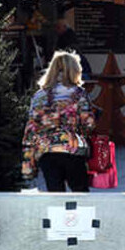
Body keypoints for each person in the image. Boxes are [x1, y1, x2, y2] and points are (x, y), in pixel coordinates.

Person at [21, 51, 96, 192]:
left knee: (55, 194)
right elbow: (89, 124)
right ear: (74, 71)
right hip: (73, 150)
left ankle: (58, 214)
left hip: (47, 151)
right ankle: (78, 214)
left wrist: (28, 162)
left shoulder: (39, 96)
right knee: (80, 193)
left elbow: (31, 128)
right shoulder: (78, 94)